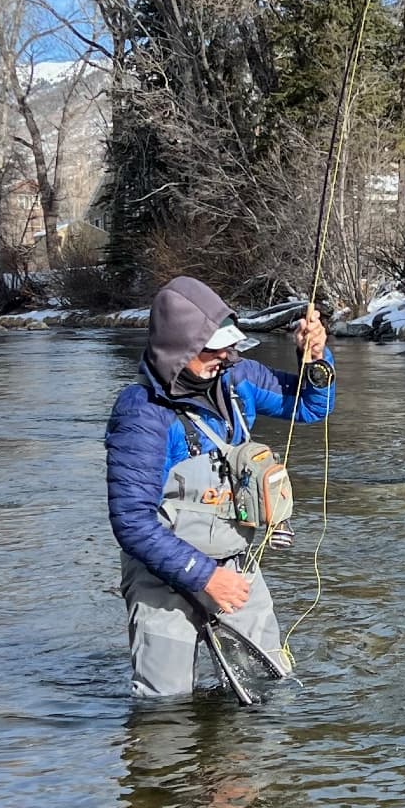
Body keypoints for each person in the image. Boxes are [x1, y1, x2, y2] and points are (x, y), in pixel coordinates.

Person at [105, 277, 334, 697]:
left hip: (238, 571)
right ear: (180, 349)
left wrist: (314, 359)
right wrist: (205, 577)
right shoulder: (142, 416)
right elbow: (131, 522)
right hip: (162, 581)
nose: (226, 356)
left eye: (229, 345)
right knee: (166, 713)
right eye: (214, 349)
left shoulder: (239, 378)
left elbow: (309, 405)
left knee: (269, 691)